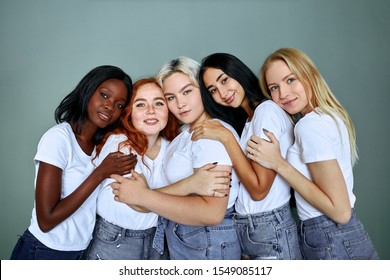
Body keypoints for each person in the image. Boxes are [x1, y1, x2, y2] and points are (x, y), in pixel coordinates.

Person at [246, 47, 379, 260]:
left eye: (290, 80)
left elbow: (341, 212)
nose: (283, 94)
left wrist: (279, 163)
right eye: (274, 87)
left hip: (330, 236)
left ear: (309, 75)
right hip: (340, 236)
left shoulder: (309, 126)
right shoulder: (329, 116)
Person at [110, 57, 241, 260]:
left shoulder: (209, 136)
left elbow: (212, 213)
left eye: (187, 91)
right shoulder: (185, 132)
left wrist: (144, 197)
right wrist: (187, 185)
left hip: (206, 243)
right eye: (170, 97)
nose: (180, 103)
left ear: (203, 89)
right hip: (188, 240)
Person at [85, 78, 228, 259]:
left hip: (158, 243)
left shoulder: (173, 147)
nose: (150, 111)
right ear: (129, 113)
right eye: (140, 104)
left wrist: (147, 195)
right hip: (116, 242)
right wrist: (190, 185)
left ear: (168, 110)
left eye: (158, 103)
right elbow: (134, 202)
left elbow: (144, 198)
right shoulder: (119, 145)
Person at [10, 65, 137, 260]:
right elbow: (46, 220)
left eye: (119, 105)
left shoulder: (100, 148)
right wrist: (100, 174)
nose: (110, 107)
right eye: (104, 95)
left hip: (78, 253)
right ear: (88, 90)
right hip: (43, 251)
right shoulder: (59, 139)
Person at [191, 53, 302, 260]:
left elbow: (259, 190)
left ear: (238, 72)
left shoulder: (266, 111)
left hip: (270, 227)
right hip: (251, 229)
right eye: (213, 90)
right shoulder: (249, 121)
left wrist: (226, 138)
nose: (222, 93)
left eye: (224, 80)